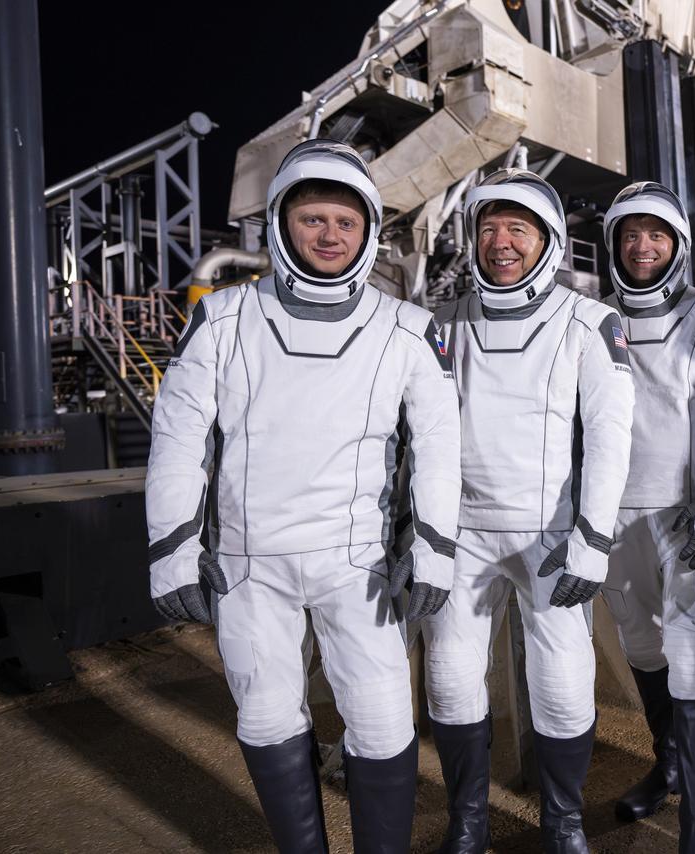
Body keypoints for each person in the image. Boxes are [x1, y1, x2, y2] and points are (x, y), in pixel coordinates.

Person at [145, 139, 461, 854]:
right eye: (313, 218)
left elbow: (441, 450)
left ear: (369, 231)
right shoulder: (223, 319)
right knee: (263, 718)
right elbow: (178, 438)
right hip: (249, 566)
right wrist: (172, 550)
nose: (329, 235)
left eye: (345, 223)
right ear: (282, 223)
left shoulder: (407, 330)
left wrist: (434, 550)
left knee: (381, 723)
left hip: (359, 564)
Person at [421, 168, 635, 854]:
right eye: (488, 229)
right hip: (461, 534)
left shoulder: (590, 322)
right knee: (451, 680)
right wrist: (421, 533)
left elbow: (609, 435)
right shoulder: (442, 322)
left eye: (517, 228)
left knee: (564, 684)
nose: (500, 242)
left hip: (552, 536)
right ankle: (468, 819)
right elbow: (414, 431)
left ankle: (564, 821)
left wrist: (593, 539)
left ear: (546, 241)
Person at [597, 182, 695, 851]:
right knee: (641, 648)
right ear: (613, 244)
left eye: (656, 235)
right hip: (613, 515)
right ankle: (666, 767)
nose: (643, 247)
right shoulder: (595, 319)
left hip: (688, 515)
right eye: (630, 235)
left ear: (678, 246)